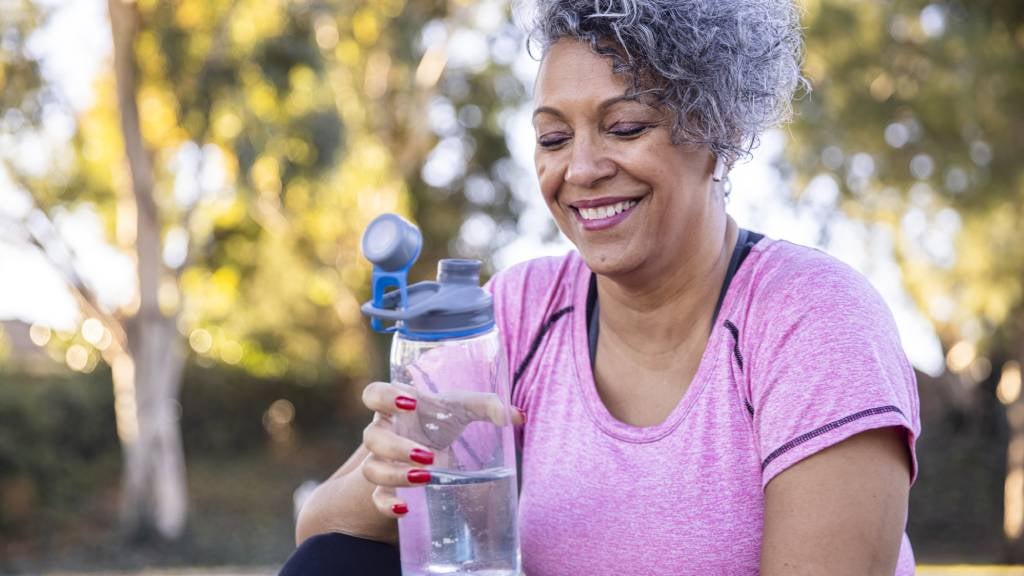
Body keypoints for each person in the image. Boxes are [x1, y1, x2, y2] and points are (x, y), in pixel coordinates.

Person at [282, 0, 921, 574]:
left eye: (625, 127)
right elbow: (323, 541)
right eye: (553, 138)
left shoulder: (813, 318)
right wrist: (392, 470)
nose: (581, 169)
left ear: (716, 133)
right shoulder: (520, 310)